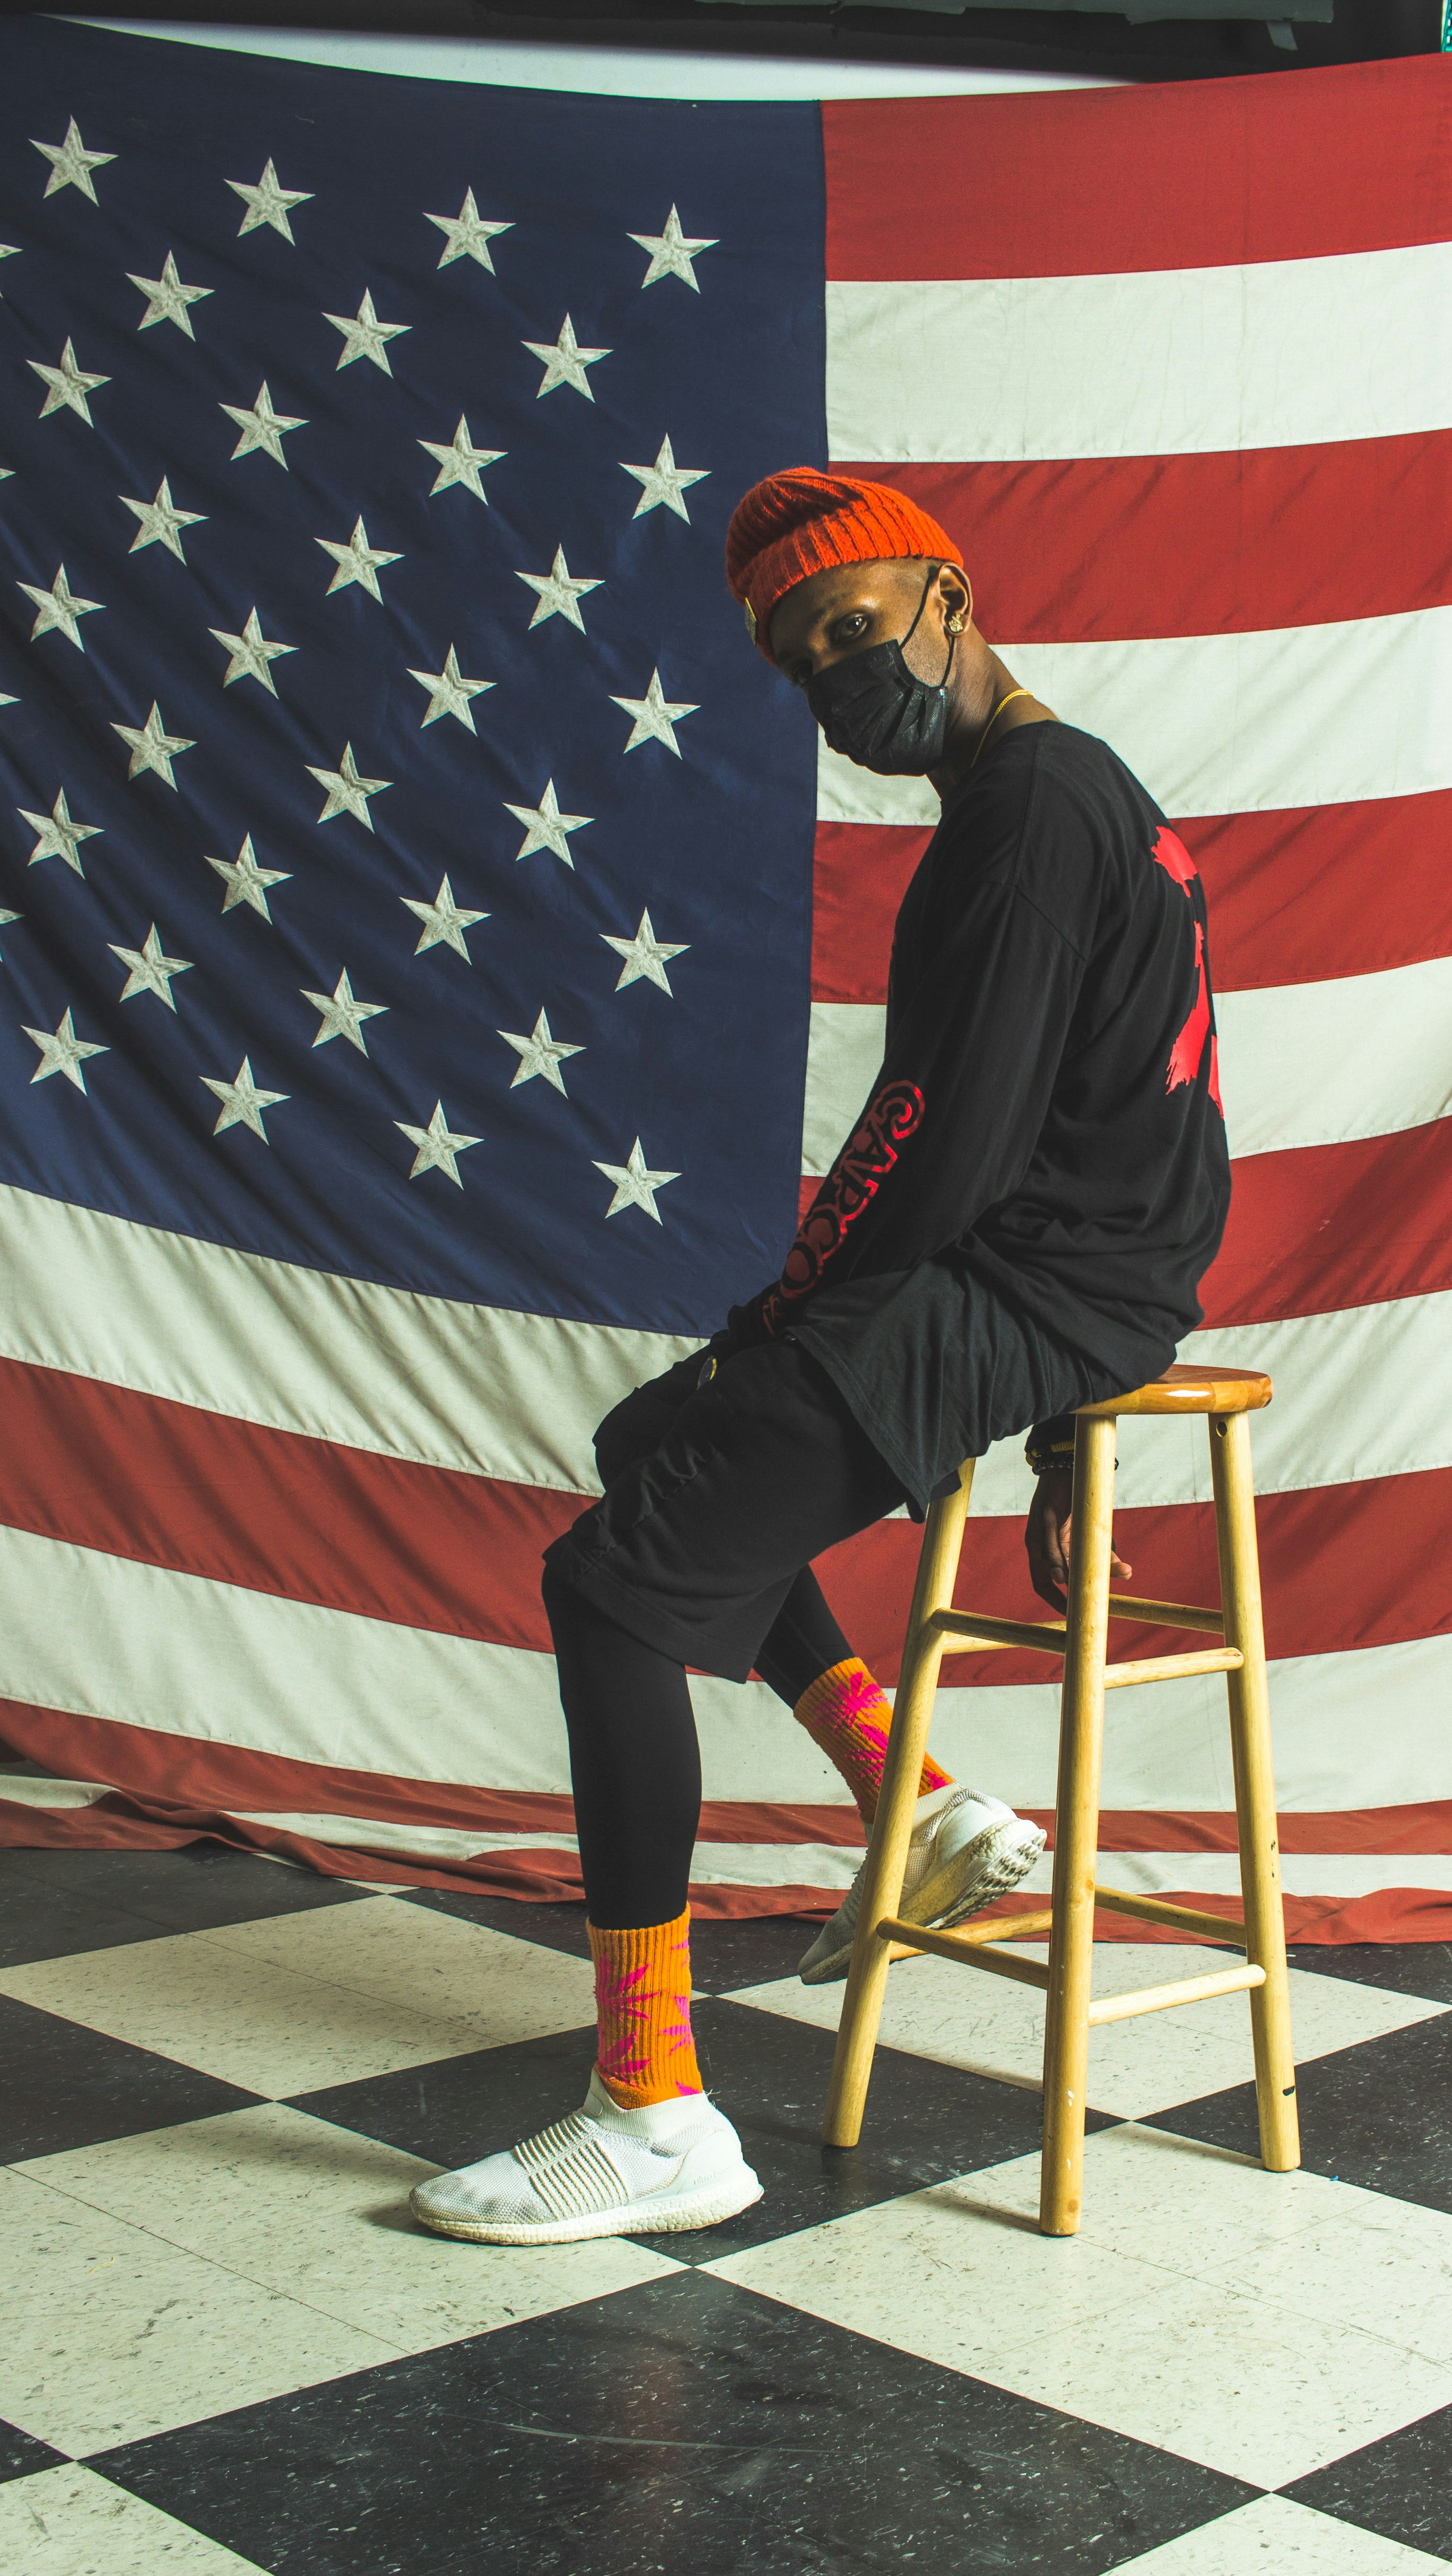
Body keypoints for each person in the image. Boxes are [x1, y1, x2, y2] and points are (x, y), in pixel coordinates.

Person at [410, 469, 1230, 2247]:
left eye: (854, 632)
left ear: (949, 589)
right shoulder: (1078, 796)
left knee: (615, 1593)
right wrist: (1063, 1409)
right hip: (1073, 1284)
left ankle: (652, 2109)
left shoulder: (1027, 809)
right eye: (802, 665)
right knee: (655, 1442)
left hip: (1012, 1284)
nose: (839, 683)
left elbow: (944, 1140)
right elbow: (1132, 1132)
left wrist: (801, 1316)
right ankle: (909, 1797)